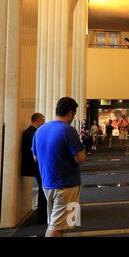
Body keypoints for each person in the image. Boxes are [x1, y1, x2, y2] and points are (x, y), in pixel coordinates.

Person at [32, 97, 86, 237]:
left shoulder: (40, 130)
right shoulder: (68, 130)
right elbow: (80, 159)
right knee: (56, 227)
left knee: (55, 223)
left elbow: (35, 157)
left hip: (47, 184)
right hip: (66, 185)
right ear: (70, 113)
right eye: (74, 114)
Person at [21, 113, 47, 225]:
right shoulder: (34, 133)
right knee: (43, 189)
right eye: (43, 121)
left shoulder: (29, 132)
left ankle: (43, 215)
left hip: (33, 165)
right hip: (36, 166)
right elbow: (37, 152)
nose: (44, 123)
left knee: (43, 189)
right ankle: (42, 217)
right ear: (37, 121)